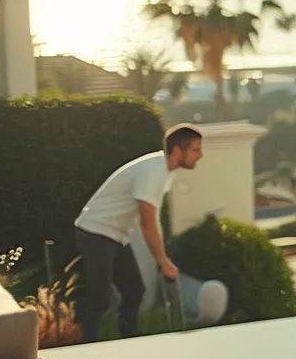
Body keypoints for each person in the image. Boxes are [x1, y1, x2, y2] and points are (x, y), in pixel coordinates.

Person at [73, 125, 205, 341]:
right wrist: (163, 262)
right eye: (195, 150)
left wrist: (163, 259)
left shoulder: (166, 172)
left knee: (134, 291)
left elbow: (152, 220)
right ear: (177, 152)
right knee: (100, 299)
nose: (200, 155)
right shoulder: (153, 172)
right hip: (95, 232)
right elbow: (147, 222)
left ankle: (129, 341)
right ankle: (88, 348)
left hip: (115, 235)